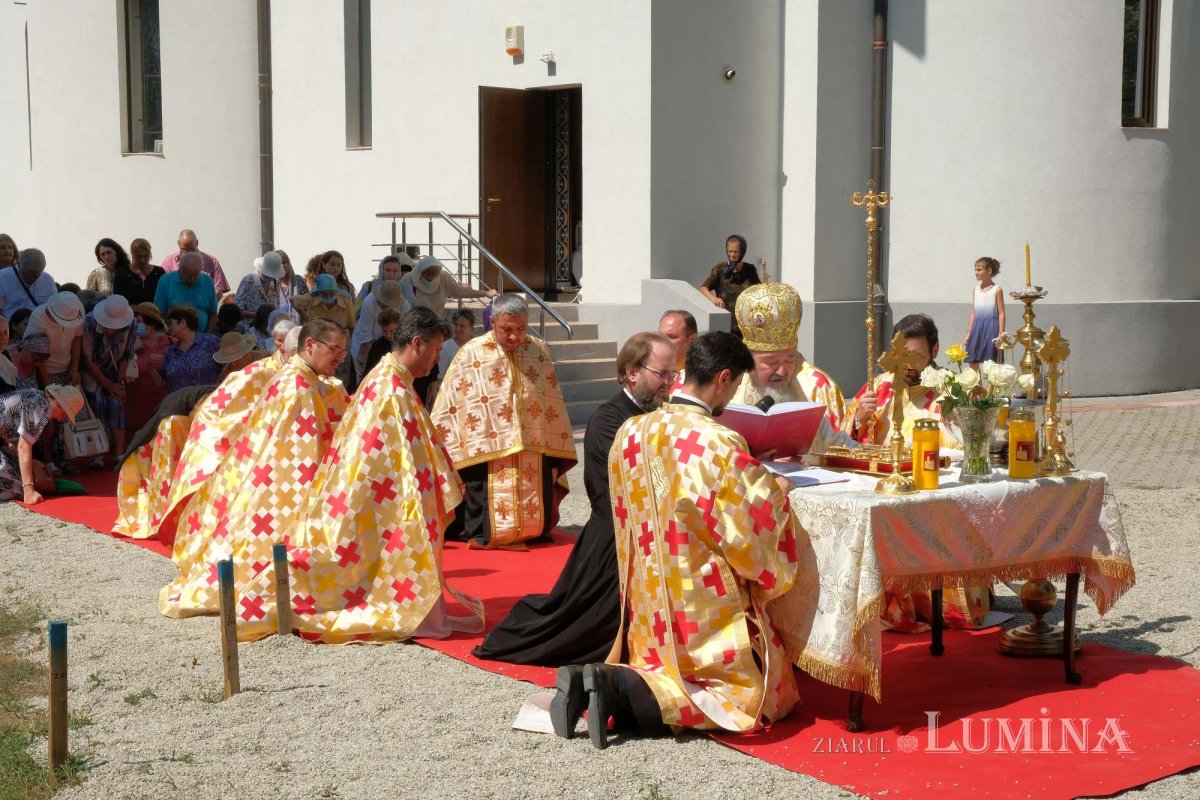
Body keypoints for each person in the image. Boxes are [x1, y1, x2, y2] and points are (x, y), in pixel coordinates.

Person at [550, 331, 800, 748]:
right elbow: (747, 527)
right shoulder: (717, 440)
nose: (731, 396)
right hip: (701, 595)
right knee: (748, 698)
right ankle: (617, 688)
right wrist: (776, 491)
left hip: (647, 590)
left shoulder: (632, 430)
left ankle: (601, 679)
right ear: (723, 378)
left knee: (661, 664)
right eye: (735, 386)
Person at [237, 307, 483, 642]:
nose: (438, 359)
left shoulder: (391, 379)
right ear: (417, 343)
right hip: (385, 495)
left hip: (381, 490)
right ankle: (402, 606)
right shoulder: (391, 388)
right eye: (437, 350)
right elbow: (393, 459)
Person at [474, 332, 677, 666]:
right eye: (663, 374)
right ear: (632, 372)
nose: (669, 383)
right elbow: (634, 482)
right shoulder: (608, 420)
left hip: (645, 535)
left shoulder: (656, 414)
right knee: (582, 630)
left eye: (672, 374)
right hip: (614, 539)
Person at [159, 318, 350, 619]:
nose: (340, 357)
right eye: (335, 349)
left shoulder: (295, 378)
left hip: (266, 478)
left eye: (343, 351)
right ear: (310, 345)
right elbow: (303, 456)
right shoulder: (299, 387)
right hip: (281, 484)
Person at [432, 293, 576, 549]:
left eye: (520, 329)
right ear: (493, 321)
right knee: (484, 493)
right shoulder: (472, 352)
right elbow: (453, 403)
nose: (514, 336)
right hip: (487, 446)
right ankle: (483, 531)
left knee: (535, 485)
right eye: (506, 329)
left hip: (532, 441)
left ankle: (533, 530)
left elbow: (551, 398)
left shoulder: (538, 350)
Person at [729, 283, 855, 451]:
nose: (782, 372)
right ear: (748, 359)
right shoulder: (727, 401)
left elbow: (838, 446)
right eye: (772, 362)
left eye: (790, 360)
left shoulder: (803, 400)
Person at [842, 313, 958, 448]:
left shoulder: (954, 389)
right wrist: (858, 419)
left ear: (935, 350)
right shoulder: (879, 386)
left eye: (916, 356)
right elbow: (841, 443)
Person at [0, 385, 83, 504]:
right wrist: (28, 490)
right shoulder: (39, 407)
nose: (61, 419)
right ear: (58, 404)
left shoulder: (37, 396)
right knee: (14, 486)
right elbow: (24, 447)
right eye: (65, 414)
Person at [81, 295, 137, 463]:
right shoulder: (89, 323)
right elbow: (87, 359)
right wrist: (107, 384)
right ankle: (97, 454)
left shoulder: (131, 324)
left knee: (116, 405)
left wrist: (118, 384)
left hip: (115, 368)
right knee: (96, 406)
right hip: (92, 370)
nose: (112, 329)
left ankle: (120, 453)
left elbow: (126, 354)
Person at [123, 303, 171, 434]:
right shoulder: (127, 342)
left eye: (138, 322)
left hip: (159, 408)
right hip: (133, 408)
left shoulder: (170, 343)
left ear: (152, 324)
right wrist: (130, 350)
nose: (135, 325)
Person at [698, 235, 760, 336]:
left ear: (742, 252)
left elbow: (758, 291)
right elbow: (703, 288)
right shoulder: (720, 269)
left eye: (735, 252)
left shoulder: (750, 270)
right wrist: (714, 298)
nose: (732, 255)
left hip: (746, 325)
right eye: (730, 251)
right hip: (726, 325)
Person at [402, 256, 498, 317]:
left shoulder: (443, 276)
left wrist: (485, 293)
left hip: (437, 322)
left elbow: (459, 291)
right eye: (427, 275)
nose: (430, 278)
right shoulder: (408, 279)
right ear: (420, 272)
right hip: (416, 325)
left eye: (433, 275)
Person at [26, 291, 85, 388]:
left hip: (67, 367)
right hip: (43, 371)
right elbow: (36, 355)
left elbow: (77, 338)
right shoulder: (38, 317)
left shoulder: (75, 314)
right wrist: (48, 385)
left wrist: (74, 368)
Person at [351, 279, 407, 373]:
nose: (386, 306)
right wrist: (365, 363)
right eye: (384, 303)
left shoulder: (405, 306)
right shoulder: (369, 302)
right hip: (365, 347)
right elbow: (365, 337)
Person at [161, 305, 222, 393]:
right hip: (179, 405)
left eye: (171, 323)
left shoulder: (211, 342)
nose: (169, 328)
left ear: (183, 323)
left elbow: (227, 367)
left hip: (207, 402)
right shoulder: (171, 352)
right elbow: (163, 381)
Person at [154, 251, 219, 332]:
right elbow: (159, 313)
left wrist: (207, 336)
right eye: (189, 276)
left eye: (196, 275)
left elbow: (213, 313)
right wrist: (168, 333)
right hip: (173, 336)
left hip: (202, 336)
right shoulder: (165, 281)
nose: (193, 279)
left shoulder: (207, 281)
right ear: (180, 269)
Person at [965, 256, 1006, 368]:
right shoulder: (976, 290)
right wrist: (969, 332)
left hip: (992, 328)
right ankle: (977, 386)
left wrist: (1001, 334)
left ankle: (991, 386)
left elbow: (1001, 313)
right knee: (973, 360)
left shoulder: (997, 289)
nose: (976, 272)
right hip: (976, 327)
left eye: (979, 269)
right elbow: (973, 312)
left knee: (992, 362)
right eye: (975, 269)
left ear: (989, 271)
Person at [160, 229, 230, 294]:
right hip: (176, 306)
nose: (187, 253)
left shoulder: (211, 261)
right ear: (178, 243)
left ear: (196, 243)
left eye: (191, 249)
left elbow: (218, 291)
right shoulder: (168, 262)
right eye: (184, 249)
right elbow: (162, 289)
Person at [0, 248, 57, 322]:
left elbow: (54, 308)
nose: (30, 279)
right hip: (11, 329)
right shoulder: (2, 277)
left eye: (35, 276)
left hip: (40, 328)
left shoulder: (48, 280)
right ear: (19, 264)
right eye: (26, 275)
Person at [233, 252, 287, 319]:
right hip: (247, 327)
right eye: (267, 274)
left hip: (267, 328)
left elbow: (277, 306)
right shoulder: (248, 281)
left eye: (272, 275)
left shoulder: (275, 283)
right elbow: (235, 310)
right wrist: (257, 315)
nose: (269, 277)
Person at [113, 238, 165, 307]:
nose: (143, 260)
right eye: (139, 256)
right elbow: (117, 300)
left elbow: (165, 297)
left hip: (154, 315)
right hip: (130, 315)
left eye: (146, 256)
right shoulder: (121, 273)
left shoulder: (159, 272)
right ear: (132, 255)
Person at [361, 306, 402, 377]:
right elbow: (369, 370)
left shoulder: (405, 343)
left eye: (392, 331)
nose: (388, 335)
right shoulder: (377, 346)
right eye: (385, 331)